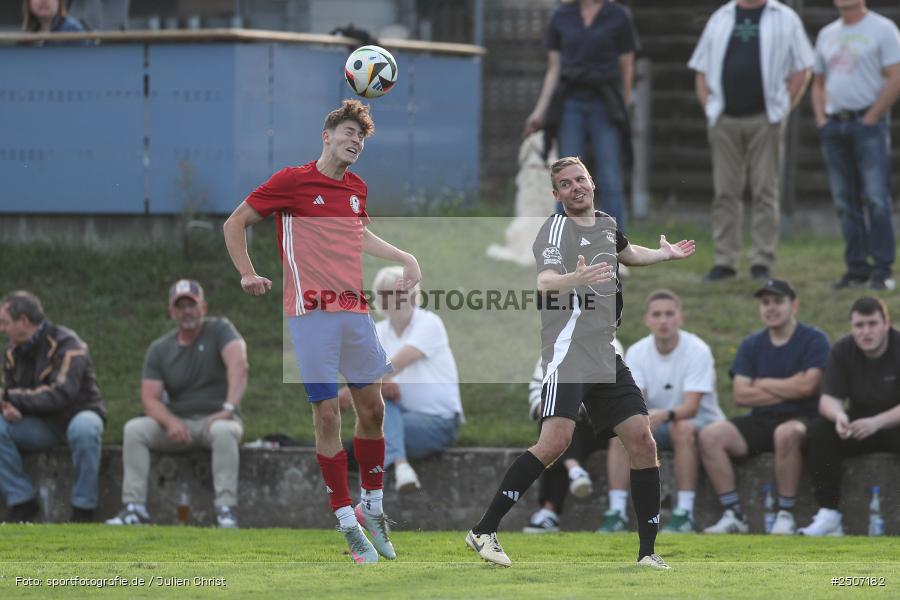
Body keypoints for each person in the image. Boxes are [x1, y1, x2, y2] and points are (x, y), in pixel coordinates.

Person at [465, 156, 695, 569]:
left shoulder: (606, 223)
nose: (576, 187)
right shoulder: (556, 228)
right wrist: (576, 279)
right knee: (555, 442)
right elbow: (544, 281)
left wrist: (665, 255)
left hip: (604, 353)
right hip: (568, 349)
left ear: (592, 183)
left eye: (581, 179)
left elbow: (628, 254)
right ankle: (484, 530)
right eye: (566, 184)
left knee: (642, 439)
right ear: (556, 195)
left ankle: (647, 553)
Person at [223, 99, 421, 563]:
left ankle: (372, 507)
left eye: (362, 137)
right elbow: (235, 223)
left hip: (353, 311)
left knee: (373, 409)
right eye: (349, 132)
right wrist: (247, 272)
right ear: (327, 135)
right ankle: (346, 521)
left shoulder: (356, 189)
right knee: (328, 414)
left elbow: (359, 234)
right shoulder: (291, 182)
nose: (356, 141)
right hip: (310, 313)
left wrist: (406, 257)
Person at [688, 0, 814, 282]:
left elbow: (802, 69)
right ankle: (725, 261)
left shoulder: (786, 18)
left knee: (765, 191)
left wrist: (781, 111)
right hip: (724, 120)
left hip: (765, 119)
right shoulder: (720, 17)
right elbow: (701, 70)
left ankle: (761, 261)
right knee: (725, 192)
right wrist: (711, 109)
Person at [105, 280, 247, 528]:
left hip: (217, 419)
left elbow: (239, 365)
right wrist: (170, 422)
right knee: (134, 430)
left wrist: (228, 408)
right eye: (180, 306)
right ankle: (134, 508)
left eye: (191, 305)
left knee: (225, 433)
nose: (186, 311)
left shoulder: (220, 330)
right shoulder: (160, 349)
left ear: (203, 307)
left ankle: (226, 510)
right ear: (171, 312)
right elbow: (149, 399)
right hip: (178, 423)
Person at [699, 279, 829, 535]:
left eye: (778, 301)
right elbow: (741, 395)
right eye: (765, 302)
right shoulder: (751, 345)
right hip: (760, 419)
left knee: (786, 433)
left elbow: (808, 387)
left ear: (795, 305)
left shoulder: (814, 339)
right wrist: (789, 387)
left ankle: (785, 514)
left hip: (803, 417)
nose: (771, 308)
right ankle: (733, 514)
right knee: (709, 435)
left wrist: (764, 383)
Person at [601, 289, 724, 534]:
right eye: (657, 314)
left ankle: (684, 514)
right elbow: (636, 399)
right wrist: (644, 419)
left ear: (680, 318)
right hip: (657, 422)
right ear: (647, 320)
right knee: (620, 431)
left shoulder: (697, 349)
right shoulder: (637, 352)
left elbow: (692, 407)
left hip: (701, 423)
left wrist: (661, 415)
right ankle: (615, 513)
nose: (663, 320)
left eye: (670, 314)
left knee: (683, 428)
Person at [339, 266, 463, 493]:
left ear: (414, 297)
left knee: (372, 433)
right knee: (380, 412)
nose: (395, 300)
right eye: (388, 294)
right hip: (398, 418)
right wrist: (379, 385)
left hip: (438, 423)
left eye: (401, 293)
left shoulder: (429, 323)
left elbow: (396, 364)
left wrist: (356, 389)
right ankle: (399, 467)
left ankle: (388, 473)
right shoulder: (376, 331)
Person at [524, 0, 638, 230]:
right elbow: (554, 69)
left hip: (604, 104)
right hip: (570, 105)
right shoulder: (561, 16)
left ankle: (615, 247)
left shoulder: (618, 15)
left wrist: (621, 108)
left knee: (608, 178)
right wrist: (540, 112)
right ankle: (566, 244)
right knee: (565, 177)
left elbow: (627, 67)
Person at [811, 0, 900, 291]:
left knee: (876, 199)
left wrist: (872, 117)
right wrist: (822, 119)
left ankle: (882, 269)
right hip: (834, 125)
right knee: (844, 202)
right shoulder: (826, 34)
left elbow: (895, 76)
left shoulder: (884, 29)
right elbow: (818, 83)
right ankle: (857, 268)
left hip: (868, 125)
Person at [0, 291, 105, 523]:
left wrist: (8, 397)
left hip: (79, 413)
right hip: (43, 424)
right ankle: (21, 501)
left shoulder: (68, 343)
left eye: (5, 322)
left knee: (85, 430)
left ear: (24, 322)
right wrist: (11, 409)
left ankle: (83, 509)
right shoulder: (11, 352)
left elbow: (61, 394)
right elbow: (18, 394)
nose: (2, 329)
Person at [799, 297, 900, 536]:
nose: (866, 331)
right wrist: (838, 417)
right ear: (851, 327)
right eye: (859, 325)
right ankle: (829, 514)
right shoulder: (843, 349)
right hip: (859, 423)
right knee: (819, 431)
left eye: (872, 324)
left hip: (893, 422)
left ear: (886, 324)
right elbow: (828, 399)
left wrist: (877, 423)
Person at [522, 342, 621, 535]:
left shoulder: (609, 343)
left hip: (598, 425)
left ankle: (549, 511)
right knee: (553, 424)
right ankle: (574, 470)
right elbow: (536, 388)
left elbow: (605, 389)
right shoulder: (551, 348)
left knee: (559, 425)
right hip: (566, 421)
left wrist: (564, 407)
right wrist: (548, 407)